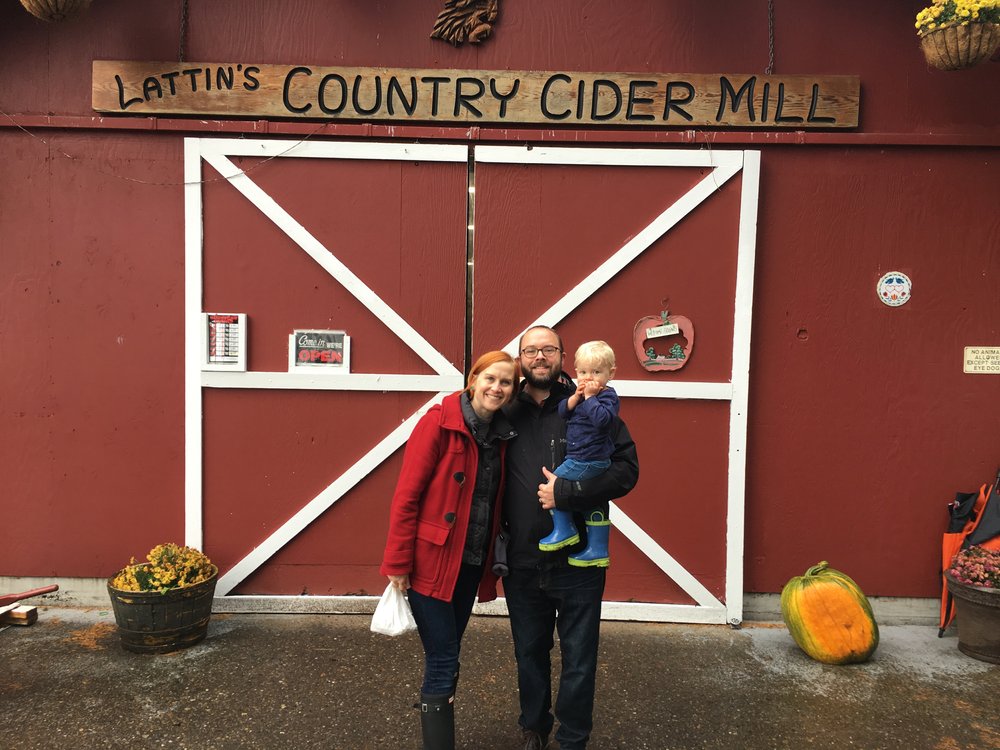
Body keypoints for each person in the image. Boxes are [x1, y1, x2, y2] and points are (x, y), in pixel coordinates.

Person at [502, 326, 639, 750]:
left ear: (563, 356)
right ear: (520, 358)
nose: (539, 356)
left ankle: (573, 738)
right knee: (529, 652)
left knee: (579, 659)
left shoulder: (593, 402)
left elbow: (626, 471)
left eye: (548, 349)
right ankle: (534, 728)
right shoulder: (504, 408)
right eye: (530, 350)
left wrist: (568, 491)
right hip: (523, 558)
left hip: (578, 561)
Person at [380, 351, 519, 750]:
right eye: (490, 378)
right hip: (430, 563)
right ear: (474, 379)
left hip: (469, 563)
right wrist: (397, 563)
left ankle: (436, 718)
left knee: (449, 653)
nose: (496, 388)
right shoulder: (438, 423)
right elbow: (407, 497)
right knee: (443, 658)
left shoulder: (502, 434)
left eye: (506, 382)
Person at [538, 340, 619, 568]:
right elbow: (563, 412)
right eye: (583, 372)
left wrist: (591, 397)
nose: (588, 378)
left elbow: (603, 421)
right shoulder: (579, 393)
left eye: (596, 372)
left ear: (610, 373)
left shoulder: (607, 397)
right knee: (593, 507)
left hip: (588, 459)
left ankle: (565, 530)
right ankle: (598, 550)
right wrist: (575, 398)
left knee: (554, 485)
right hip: (583, 457)